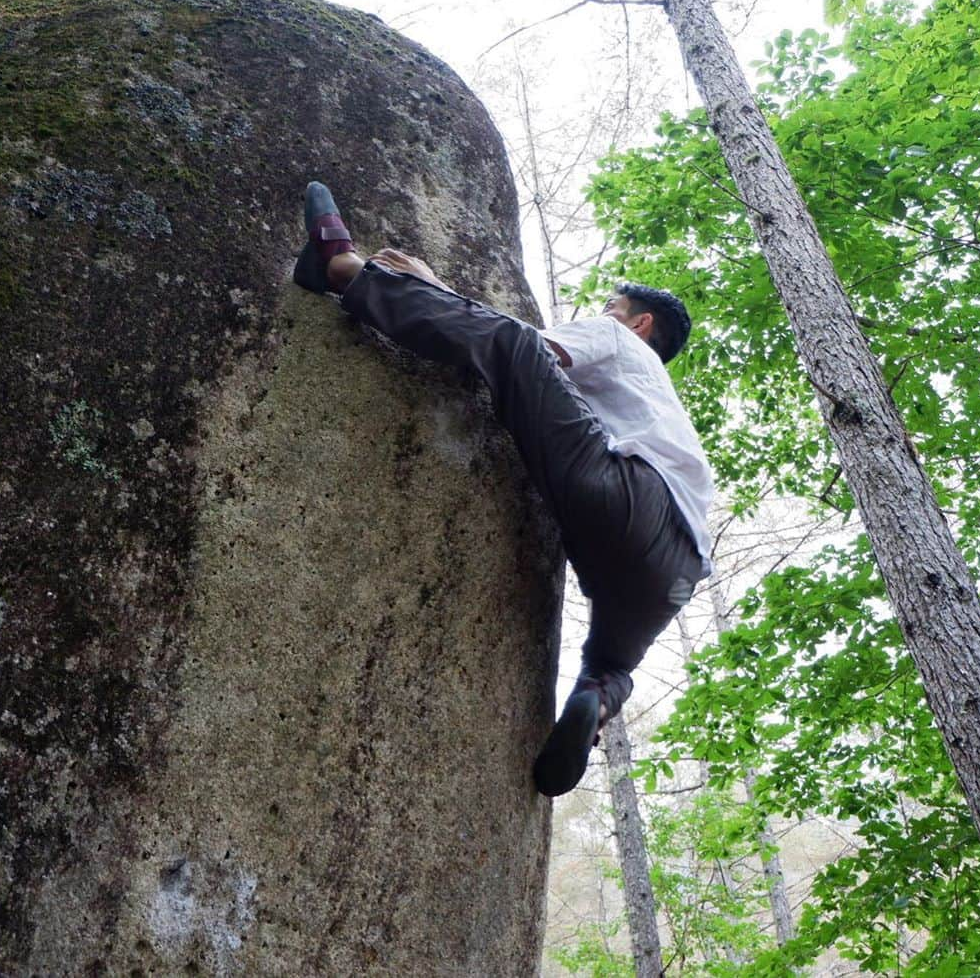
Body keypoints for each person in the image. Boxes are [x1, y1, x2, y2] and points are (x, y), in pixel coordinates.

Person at [294, 181, 714, 797]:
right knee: (613, 663)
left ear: (639, 322)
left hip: (627, 494)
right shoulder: (660, 404)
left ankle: (340, 268)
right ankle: (595, 704)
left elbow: (526, 346)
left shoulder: (620, 339)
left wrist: (433, 285)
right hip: (677, 569)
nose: (603, 315)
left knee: (511, 345)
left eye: (611, 307)